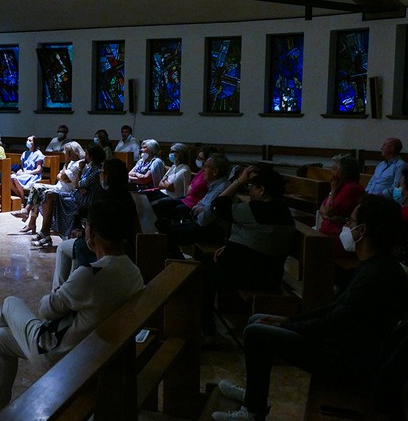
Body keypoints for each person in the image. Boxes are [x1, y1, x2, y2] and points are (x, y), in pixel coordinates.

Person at [212, 195, 408, 421]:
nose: (347, 226)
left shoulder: (376, 275)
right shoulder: (378, 265)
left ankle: (253, 411)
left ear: (362, 230)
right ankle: (254, 395)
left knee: (256, 333)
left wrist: (291, 324)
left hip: (348, 361)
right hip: (344, 346)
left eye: (350, 222)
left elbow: (334, 321)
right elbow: (336, 309)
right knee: (258, 319)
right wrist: (287, 321)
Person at [0, 199, 144, 421]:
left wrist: (62, 289)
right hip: (91, 351)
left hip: (59, 354)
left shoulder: (90, 275)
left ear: (92, 231)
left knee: (9, 303)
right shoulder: (133, 272)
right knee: (3, 338)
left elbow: (45, 310)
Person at [200, 166, 296, 337]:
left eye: (251, 186)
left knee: (198, 277)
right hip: (267, 272)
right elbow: (258, 237)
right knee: (206, 260)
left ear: (262, 190)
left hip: (252, 276)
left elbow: (218, 207)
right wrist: (229, 247)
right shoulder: (281, 210)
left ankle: (207, 332)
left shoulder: (257, 210)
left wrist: (238, 181)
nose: (249, 189)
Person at [30, 145, 105, 247]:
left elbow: (76, 184)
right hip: (77, 195)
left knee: (50, 196)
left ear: (92, 157)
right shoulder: (90, 168)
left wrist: (80, 172)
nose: (85, 156)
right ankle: (45, 233)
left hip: (83, 201)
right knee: (48, 195)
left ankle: (45, 233)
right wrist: (80, 186)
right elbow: (76, 183)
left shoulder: (96, 171)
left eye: (87, 155)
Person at [163, 153, 231, 258]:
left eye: (206, 167)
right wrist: (200, 210)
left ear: (215, 171)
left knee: (171, 235)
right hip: (204, 224)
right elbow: (199, 205)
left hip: (215, 230)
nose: (203, 169)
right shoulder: (214, 185)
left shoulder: (222, 188)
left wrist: (200, 210)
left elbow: (204, 220)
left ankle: (178, 266)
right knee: (169, 230)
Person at [13, 141, 84, 227]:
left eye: (68, 152)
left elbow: (64, 176)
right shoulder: (71, 163)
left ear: (74, 152)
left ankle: (28, 216)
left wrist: (65, 164)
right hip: (59, 187)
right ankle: (30, 220)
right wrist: (63, 176)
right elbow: (59, 176)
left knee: (37, 189)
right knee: (36, 189)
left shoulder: (78, 164)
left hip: (66, 191)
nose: (65, 154)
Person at [153, 145, 219, 230]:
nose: (198, 160)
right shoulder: (201, 172)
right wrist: (191, 189)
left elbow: (193, 189)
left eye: (201, 158)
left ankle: (168, 231)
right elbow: (190, 187)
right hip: (187, 198)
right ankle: (161, 230)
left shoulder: (205, 175)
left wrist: (191, 189)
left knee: (172, 207)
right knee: (163, 203)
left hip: (193, 202)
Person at [318, 154, 365, 258]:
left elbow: (328, 210)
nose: (332, 172)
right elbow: (322, 208)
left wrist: (333, 192)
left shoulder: (351, 188)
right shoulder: (340, 185)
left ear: (344, 171)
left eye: (335, 169)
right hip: (328, 233)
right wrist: (328, 215)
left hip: (338, 236)